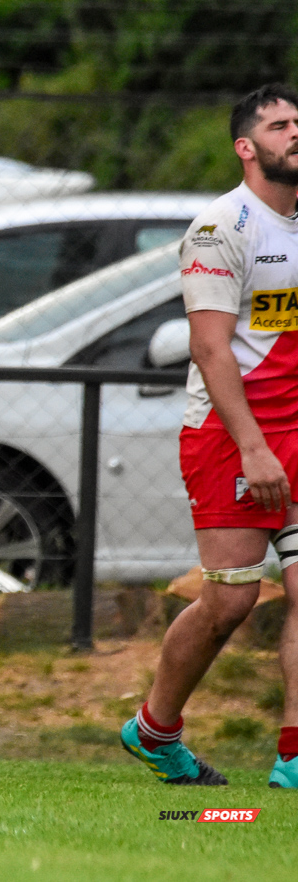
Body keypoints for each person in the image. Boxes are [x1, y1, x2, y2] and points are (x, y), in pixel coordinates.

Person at [122, 83, 298, 789]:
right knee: (230, 601)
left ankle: (293, 755)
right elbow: (210, 348)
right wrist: (255, 448)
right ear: (245, 147)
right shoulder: (221, 227)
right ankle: (155, 728)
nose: (296, 132)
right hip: (233, 435)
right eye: (280, 125)